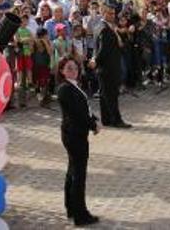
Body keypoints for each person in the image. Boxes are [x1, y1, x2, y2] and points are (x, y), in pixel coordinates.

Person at [56, 56, 100, 226]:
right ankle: (80, 215)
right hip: (74, 135)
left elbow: (85, 109)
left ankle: (71, 208)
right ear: (61, 71)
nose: (73, 71)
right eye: (68, 68)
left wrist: (94, 119)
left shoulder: (73, 86)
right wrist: (93, 125)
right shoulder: (64, 89)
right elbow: (77, 114)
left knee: (72, 172)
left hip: (76, 134)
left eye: (74, 68)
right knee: (78, 175)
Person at [89, 0, 131, 128]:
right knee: (111, 94)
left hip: (105, 66)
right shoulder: (104, 29)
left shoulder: (104, 27)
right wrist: (96, 60)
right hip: (108, 67)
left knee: (104, 94)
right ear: (103, 13)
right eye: (110, 13)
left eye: (114, 14)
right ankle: (116, 120)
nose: (113, 16)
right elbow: (103, 49)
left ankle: (106, 119)